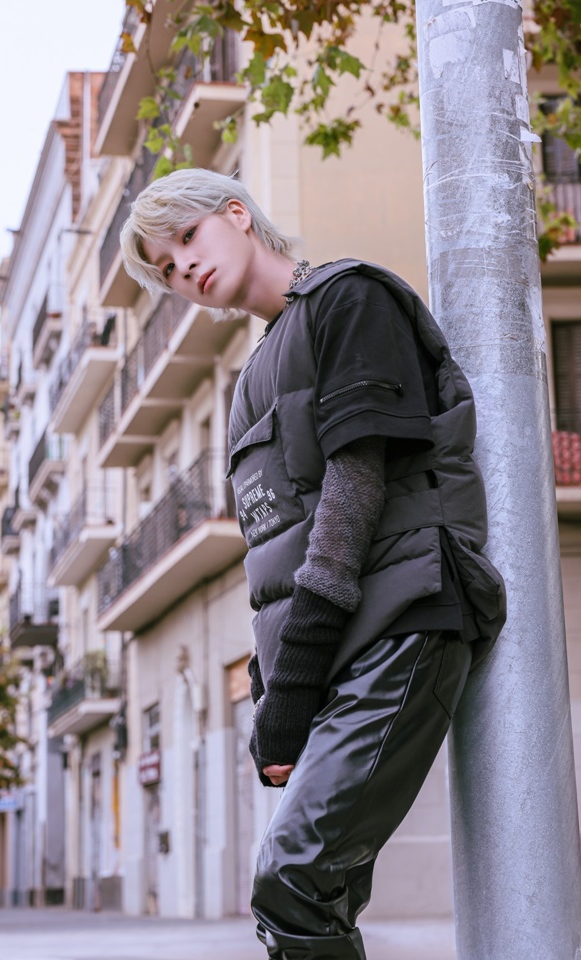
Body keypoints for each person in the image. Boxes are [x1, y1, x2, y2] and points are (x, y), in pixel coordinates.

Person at [120, 168, 506, 960]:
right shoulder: (249, 384)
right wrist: (272, 691)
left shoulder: (351, 298)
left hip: (406, 618)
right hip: (337, 652)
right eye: (166, 267)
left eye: (187, 237)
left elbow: (355, 486)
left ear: (237, 214)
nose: (183, 267)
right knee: (304, 894)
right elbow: (274, 553)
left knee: (292, 879)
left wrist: (293, 679)